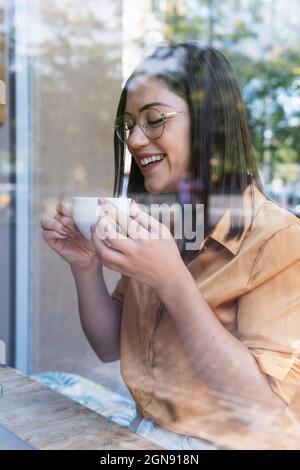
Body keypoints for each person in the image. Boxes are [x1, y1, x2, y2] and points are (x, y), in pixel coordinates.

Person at [41, 42, 300, 450]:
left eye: (154, 119)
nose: (135, 141)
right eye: (129, 126)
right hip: (143, 434)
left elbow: (261, 407)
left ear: (210, 123)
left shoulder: (278, 238)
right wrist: (85, 266)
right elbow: (109, 346)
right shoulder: (163, 222)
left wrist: (172, 282)